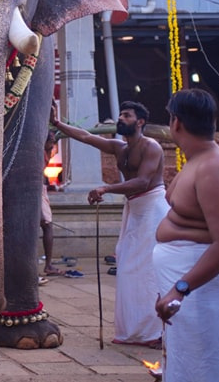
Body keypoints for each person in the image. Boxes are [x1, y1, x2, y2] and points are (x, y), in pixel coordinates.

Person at [50, 100, 167, 347]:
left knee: (147, 270)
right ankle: (135, 331)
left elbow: (144, 181)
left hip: (153, 208)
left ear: (140, 122)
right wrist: (57, 123)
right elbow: (85, 136)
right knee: (127, 267)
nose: (120, 119)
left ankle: (157, 332)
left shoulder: (151, 147)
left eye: (126, 115)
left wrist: (106, 187)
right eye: (121, 115)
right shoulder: (119, 147)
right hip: (133, 209)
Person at [154, 89, 219, 382]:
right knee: (189, 366)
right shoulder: (196, 161)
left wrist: (180, 288)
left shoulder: (212, 168)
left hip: (204, 290)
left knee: (211, 368)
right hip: (191, 290)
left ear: (176, 123)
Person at [40, 131, 62, 281]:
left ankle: (48, 264)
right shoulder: (39, 152)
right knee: (47, 225)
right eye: (52, 140)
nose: (53, 143)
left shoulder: (46, 152)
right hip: (36, 190)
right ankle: (48, 265)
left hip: (39, 188)